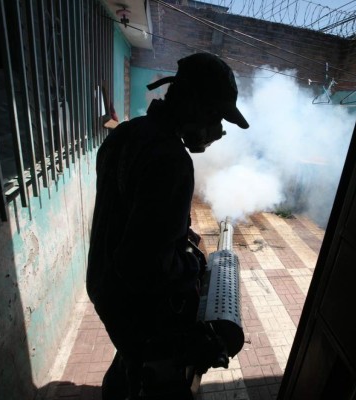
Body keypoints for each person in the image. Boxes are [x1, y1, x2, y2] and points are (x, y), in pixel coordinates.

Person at [86, 52, 249, 400]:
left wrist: (177, 237)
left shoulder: (126, 134)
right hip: (134, 301)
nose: (217, 130)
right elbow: (144, 266)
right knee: (159, 382)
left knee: (130, 358)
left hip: (103, 282)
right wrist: (193, 264)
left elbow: (130, 216)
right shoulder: (172, 160)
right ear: (192, 105)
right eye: (215, 117)